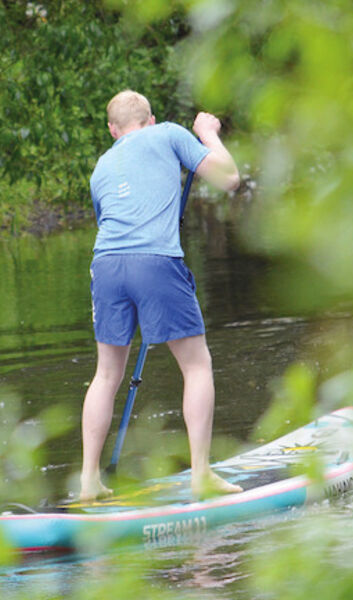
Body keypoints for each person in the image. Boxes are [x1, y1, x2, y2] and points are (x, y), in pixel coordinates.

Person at [79, 90, 242, 501]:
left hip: (106, 266)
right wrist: (207, 134)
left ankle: (87, 482)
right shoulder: (169, 134)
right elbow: (229, 178)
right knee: (196, 365)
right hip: (154, 260)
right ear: (149, 120)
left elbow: (111, 222)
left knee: (105, 374)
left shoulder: (101, 166)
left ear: (113, 130)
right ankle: (201, 473)